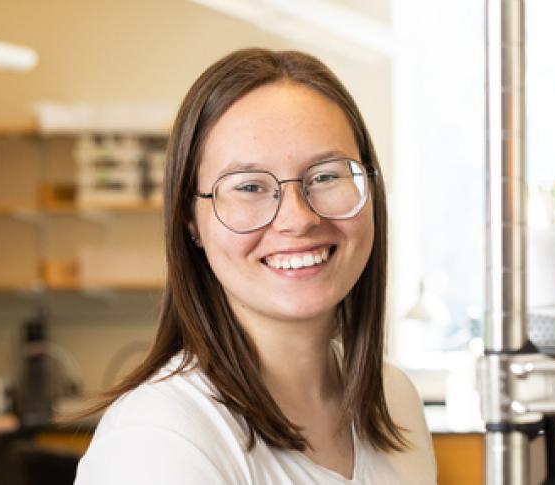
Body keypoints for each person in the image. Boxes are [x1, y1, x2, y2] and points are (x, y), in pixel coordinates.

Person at [74, 48, 435, 484]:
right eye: (249, 186)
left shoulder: (394, 400)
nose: (298, 218)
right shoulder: (159, 438)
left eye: (325, 176)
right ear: (191, 220)